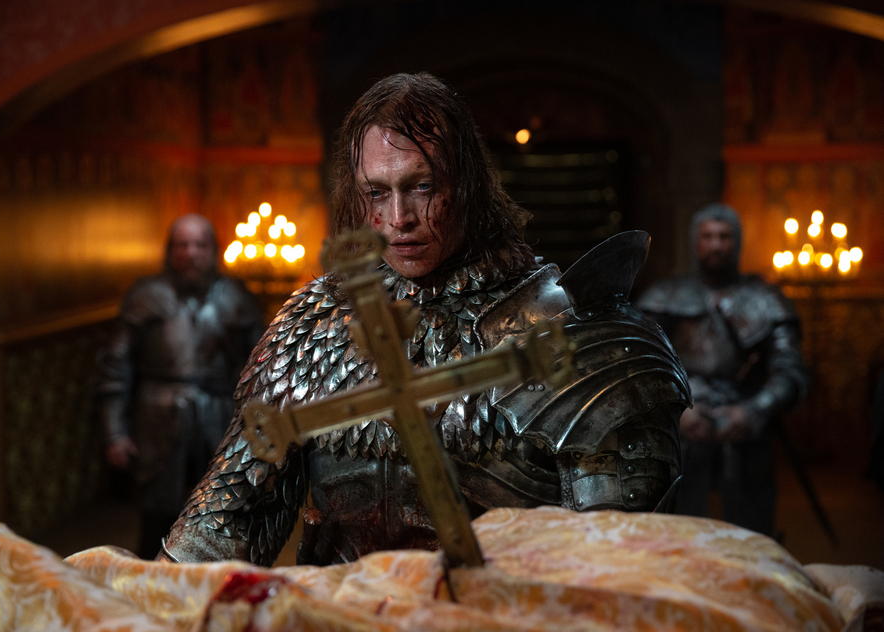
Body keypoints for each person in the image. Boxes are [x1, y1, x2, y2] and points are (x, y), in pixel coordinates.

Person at [160, 73, 690, 566]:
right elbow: (221, 521)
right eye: (376, 192)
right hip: (343, 616)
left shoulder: (572, 328)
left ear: (468, 184)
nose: (399, 220)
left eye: (422, 187)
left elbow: (616, 569)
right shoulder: (310, 325)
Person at [96, 213, 264, 559]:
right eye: (182, 245)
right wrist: (115, 433)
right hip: (158, 420)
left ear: (213, 250)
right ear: (170, 250)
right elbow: (116, 367)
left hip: (220, 417)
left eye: (200, 245)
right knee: (157, 524)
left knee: (223, 521)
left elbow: (259, 368)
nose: (191, 253)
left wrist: (258, 430)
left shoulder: (236, 295)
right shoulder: (145, 295)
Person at [638, 203, 808, 536]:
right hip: (680, 436)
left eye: (724, 236)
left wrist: (754, 410)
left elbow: (790, 373)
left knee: (750, 539)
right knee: (676, 539)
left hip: (744, 434)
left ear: (737, 241)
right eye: (708, 236)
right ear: (695, 241)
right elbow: (642, 368)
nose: (716, 245)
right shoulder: (664, 296)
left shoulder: (767, 300)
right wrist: (675, 411)